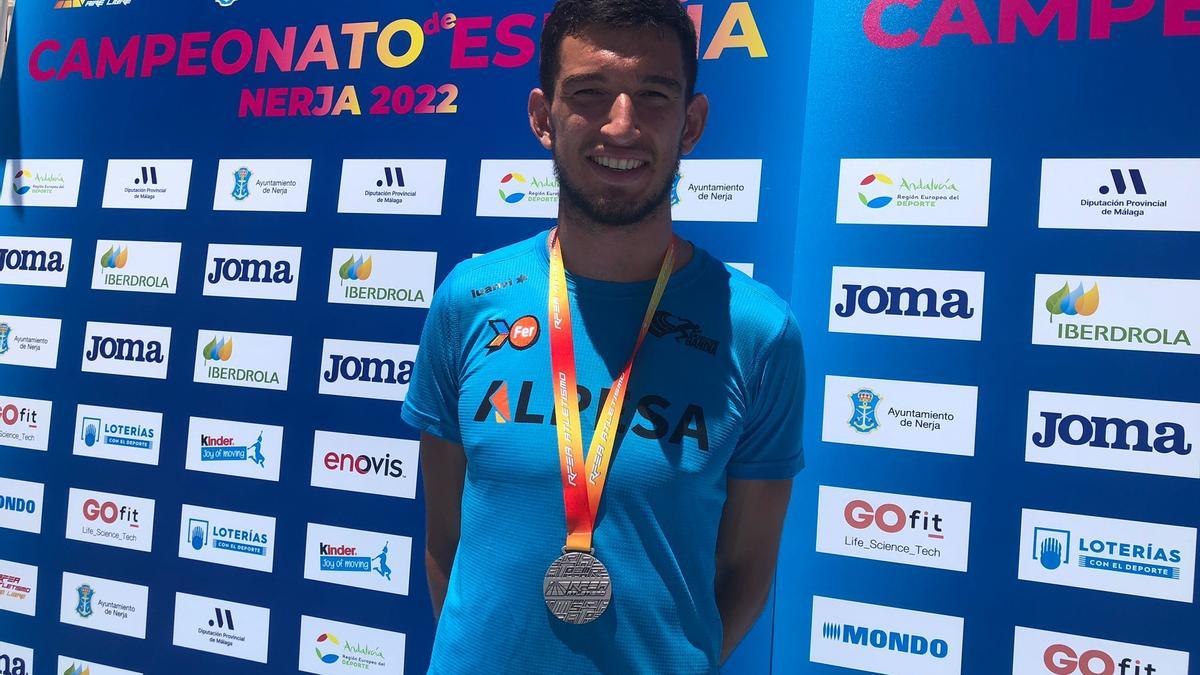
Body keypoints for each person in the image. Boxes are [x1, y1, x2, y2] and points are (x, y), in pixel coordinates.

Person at [401, 0, 805, 672]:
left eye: (653, 95)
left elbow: (746, 574)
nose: (622, 125)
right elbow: (445, 539)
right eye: (590, 93)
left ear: (692, 123)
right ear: (541, 117)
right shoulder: (467, 301)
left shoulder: (759, 332)